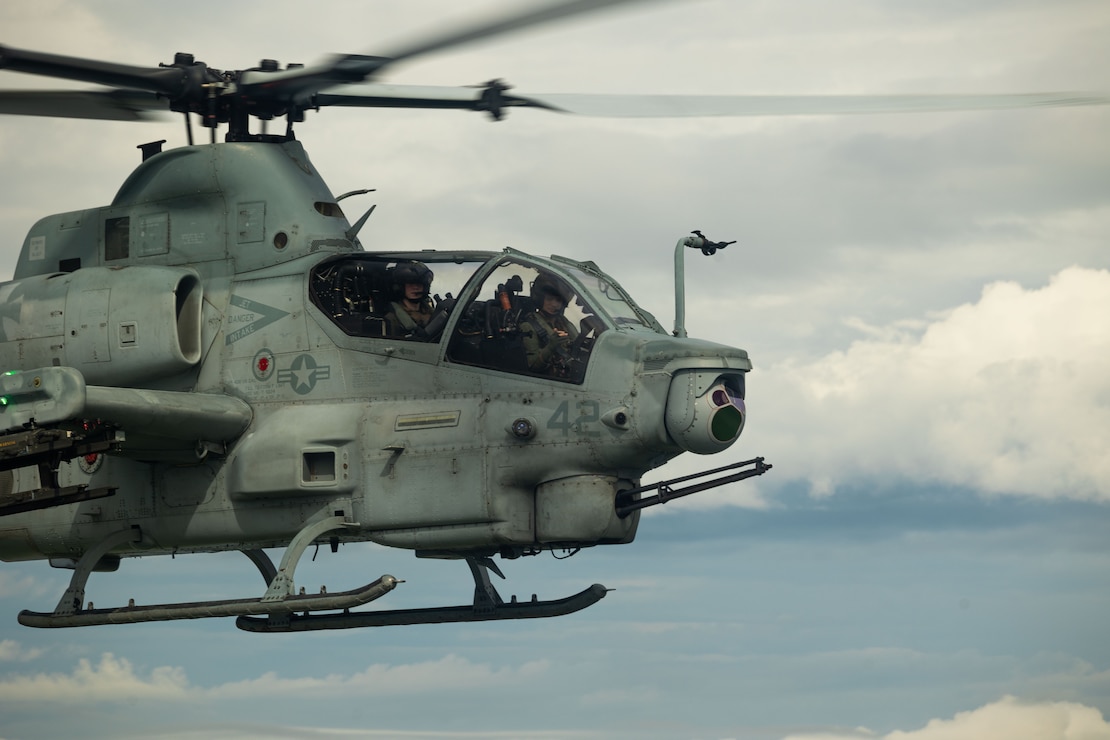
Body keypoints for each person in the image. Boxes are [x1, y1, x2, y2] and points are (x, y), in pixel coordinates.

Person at [521, 274, 579, 374]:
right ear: (540, 299)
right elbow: (532, 366)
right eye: (549, 299)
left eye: (558, 300)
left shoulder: (563, 322)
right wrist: (550, 347)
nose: (554, 304)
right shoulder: (528, 326)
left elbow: (577, 344)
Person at [385, 261, 435, 339]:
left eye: (419, 283)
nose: (415, 287)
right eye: (410, 283)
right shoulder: (392, 319)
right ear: (401, 286)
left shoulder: (434, 315)